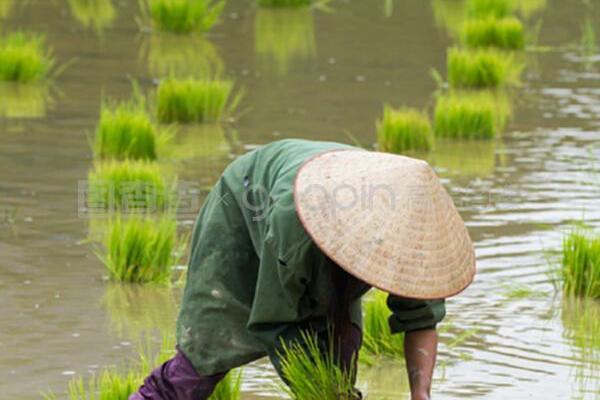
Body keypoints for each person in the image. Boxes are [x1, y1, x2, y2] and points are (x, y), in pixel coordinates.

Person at [130, 139, 476, 400]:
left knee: (342, 348)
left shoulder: (415, 234)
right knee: (206, 358)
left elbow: (421, 319)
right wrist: (318, 392)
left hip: (336, 219)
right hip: (247, 206)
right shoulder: (294, 224)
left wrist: (421, 395)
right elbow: (275, 323)